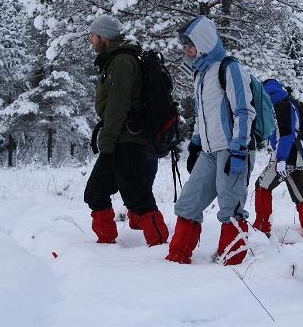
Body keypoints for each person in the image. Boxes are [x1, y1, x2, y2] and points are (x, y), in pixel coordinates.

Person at [165, 15, 256, 265]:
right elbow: (202, 115)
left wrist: (239, 149)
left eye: (190, 44)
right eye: (184, 45)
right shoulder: (201, 74)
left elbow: (244, 111)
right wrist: (195, 144)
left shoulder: (230, 68)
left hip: (232, 150)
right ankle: (177, 257)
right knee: (187, 203)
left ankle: (233, 264)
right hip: (208, 151)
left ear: (203, 42)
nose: (187, 50)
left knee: (230, 208)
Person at [84, 14, 169, 247]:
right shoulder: (114, 60)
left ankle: (159, 243)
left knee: (137, 196)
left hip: (127, 139)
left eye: (92, 36)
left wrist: (107, 143)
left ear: (104, 37)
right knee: (96, 191)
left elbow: (117, 105)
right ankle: (106, 243)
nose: (90, 40)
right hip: (120, 138)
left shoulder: (122, 62)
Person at [252, 79, 303, 238]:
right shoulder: (286, 103)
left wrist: (281, 158)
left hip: (288, 156)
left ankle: (262, 227)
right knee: (301, 195)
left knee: (262, 185)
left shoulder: (280, 105)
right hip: (296, 154)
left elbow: (287, 134)